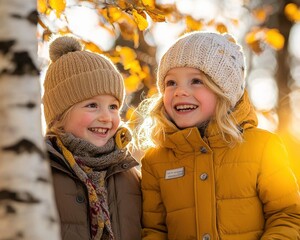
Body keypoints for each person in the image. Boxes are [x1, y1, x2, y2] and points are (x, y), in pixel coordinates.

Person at [136, 31, 300, 239]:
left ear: (224, 91)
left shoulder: (263, 147)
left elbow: (287, 215)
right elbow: (154, 230)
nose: (179, 91)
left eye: (196, 81)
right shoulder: (155, 161)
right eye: (171, 83)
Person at [43, 35, 142, 240]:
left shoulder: (128, 172)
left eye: (113, 107)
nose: (106, 117)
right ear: (60, 114)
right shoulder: (40, 169)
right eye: (92, 105)